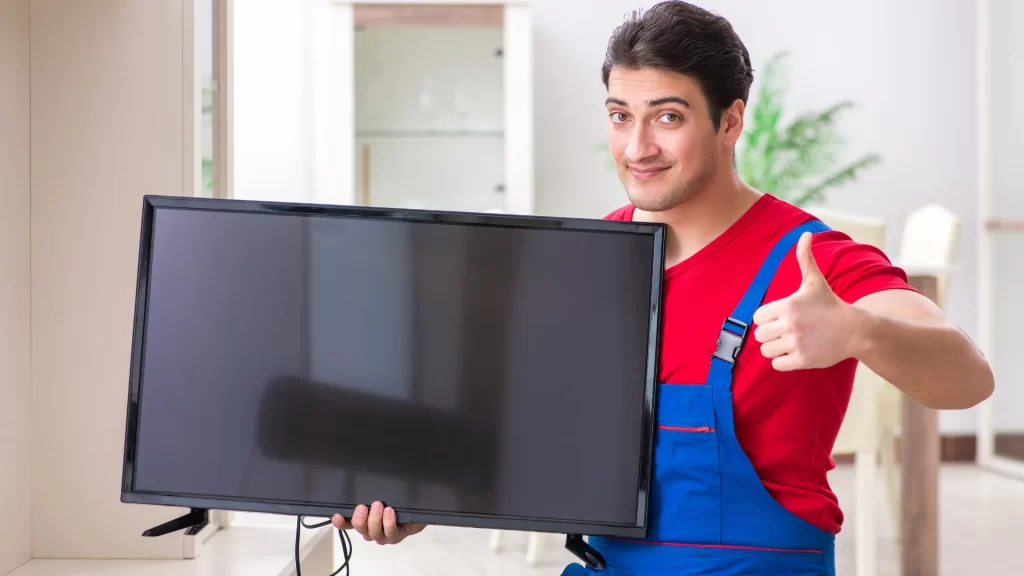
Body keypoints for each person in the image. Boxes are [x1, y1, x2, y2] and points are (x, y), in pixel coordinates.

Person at [332, 1, 995, 573]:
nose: (637, 145)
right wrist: (426, 501)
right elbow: (546, 434)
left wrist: (861, 330)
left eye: (668, 117)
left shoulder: (810, 260)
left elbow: (969, 378)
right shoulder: (598, 252)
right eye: (620, 115)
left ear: (730, 122)